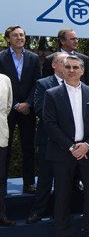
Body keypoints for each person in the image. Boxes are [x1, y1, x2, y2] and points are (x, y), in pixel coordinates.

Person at [43, 55, 89, 237]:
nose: (71, 71)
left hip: (88, 152)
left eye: (75, 67)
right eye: (68, 67)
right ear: (62, 70)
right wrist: (71, 147)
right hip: (62, 153)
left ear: (82, 71)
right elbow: (50, 124)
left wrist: (87, 145)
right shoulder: (52, 94)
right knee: (62, 195)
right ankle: (62, 232)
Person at [26, 52, 67, 224]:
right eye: (63, 63)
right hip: (48, 139)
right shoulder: (43, 84)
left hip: (69, 141)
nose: (67, 67)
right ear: (54, 65)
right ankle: (38, 211)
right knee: (45, 178)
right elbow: (40, 109)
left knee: (64, 180)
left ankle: (60, 212)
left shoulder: (77, 84)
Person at [0, 25, 41, 194]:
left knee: (28, 147)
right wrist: (15, 104)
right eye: (15, 35)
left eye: (22, 35)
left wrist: (28, 103)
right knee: (5, 148)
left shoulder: (33, 58)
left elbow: (37, 83)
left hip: (28, 110)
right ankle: (2, 182)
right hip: (8, 110)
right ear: (8, 39)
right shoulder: (1, 58)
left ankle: (29, 183)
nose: (19, 38)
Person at [0, 73, 14, 226]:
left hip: (1, 134)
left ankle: (0, 213)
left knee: (1, 177)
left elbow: (8, 106)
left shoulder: (5, 79)